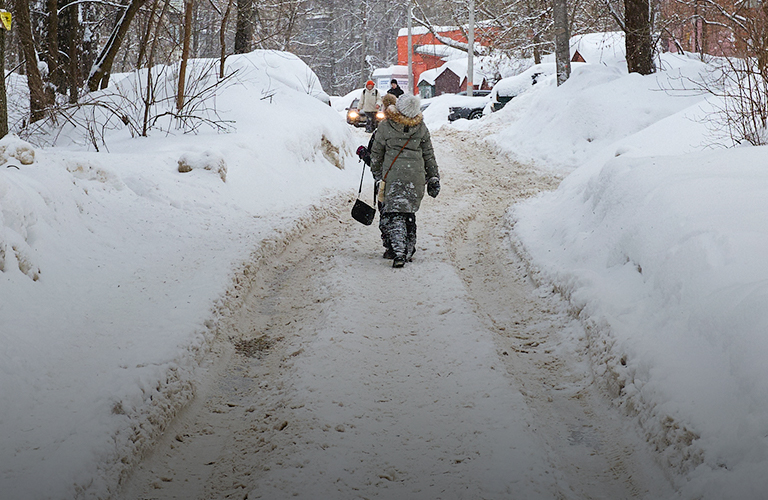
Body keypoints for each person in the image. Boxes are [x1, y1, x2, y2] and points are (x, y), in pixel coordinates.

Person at [370, 93, 440, 268]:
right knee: (408, 212)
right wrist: (433, 176)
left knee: (394, 212)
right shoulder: (421, 127)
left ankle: (398, 251)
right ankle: (409, 248)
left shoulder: (385, 126)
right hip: (415, 177)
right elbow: (428, 155)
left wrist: (377, 174)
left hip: (392, 177)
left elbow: (376, 154)